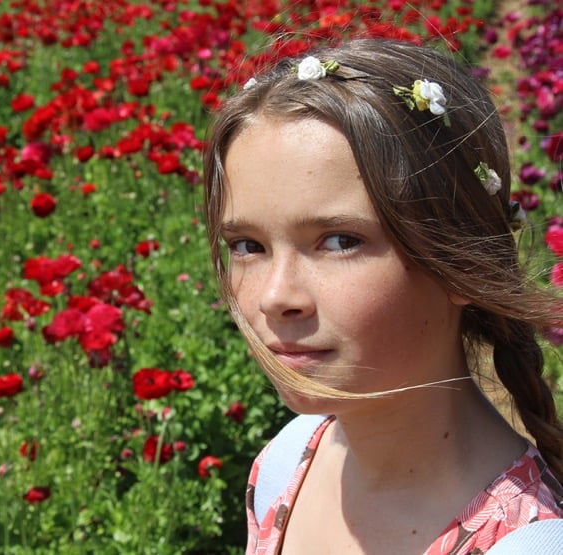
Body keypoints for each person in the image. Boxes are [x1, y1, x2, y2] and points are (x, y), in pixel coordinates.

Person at [202, 39, 563, 554]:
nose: (275, 296)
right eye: (247, 246)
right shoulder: (286, 466)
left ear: (461, 262)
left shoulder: (528, 546)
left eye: (341, 241)